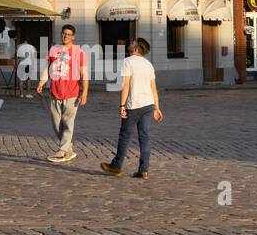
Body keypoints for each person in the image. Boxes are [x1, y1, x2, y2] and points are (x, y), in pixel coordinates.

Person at [100, 37, 163, 180]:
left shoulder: (127, 61)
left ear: (136, 48)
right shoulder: (148, 64)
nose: (130, 44)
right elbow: (154, 89)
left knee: (125, 136)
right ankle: (144, 169)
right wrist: (156, 108)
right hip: (148, 105)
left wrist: (122, 105)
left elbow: (125, 86)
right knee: (145, 137)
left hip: (133, 105)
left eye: (133, 43)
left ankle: (116, 166)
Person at [36, 24, 88, 164]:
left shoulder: (79, 52)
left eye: (69, 34)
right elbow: (48, 68)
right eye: (64, 33)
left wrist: (85, 93)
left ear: (73, 37)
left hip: (72, 93)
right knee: (56, 124)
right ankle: (68, 150)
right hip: (55, 92)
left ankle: (62, 151)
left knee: (68, 123)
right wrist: (42, 82)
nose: (65, 36)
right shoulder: (54, 50)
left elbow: (84, 74)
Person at [15, 31, 36, 98]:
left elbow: (16, 56)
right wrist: (33, 65)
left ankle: (21, 94)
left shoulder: (18, 46)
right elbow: (33, 57)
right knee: (28, 79)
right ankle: (28, 94)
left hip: (21, 63)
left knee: (20, 79)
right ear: (28, 40)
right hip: (29, 63)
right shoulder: (31, 47)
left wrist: (16, 64)